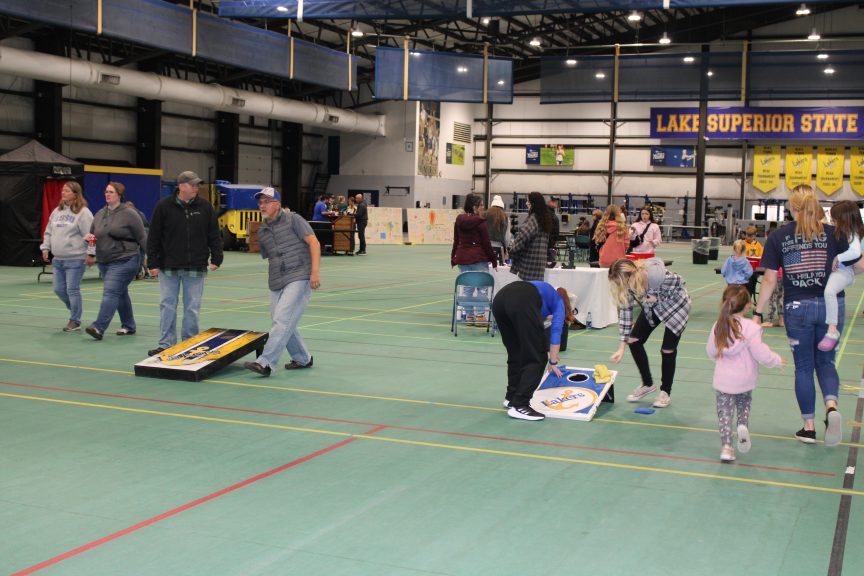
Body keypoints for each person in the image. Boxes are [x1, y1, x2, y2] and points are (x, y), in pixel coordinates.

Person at [754, 185, 850, 445]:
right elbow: (858, 264)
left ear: (792, 208)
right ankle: (831, 407)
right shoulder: (835, 234)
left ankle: (808, 427)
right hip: (832, 307)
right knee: (826, 362)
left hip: (798, 308)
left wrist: (758, 312)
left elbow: (770, 280)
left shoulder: (779, 237)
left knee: (804, 367)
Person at [244, 187, 321, 377]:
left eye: (266, 201)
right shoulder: (263, 231)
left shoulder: (294, 219)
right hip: (277, 280)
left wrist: (315, 272)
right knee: (284, 322)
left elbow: (314, 242)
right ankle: (303, 358)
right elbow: (268, 255)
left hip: (299, 275)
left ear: (277, 204)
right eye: (260, 202)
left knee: (281, 320)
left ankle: (266, 362)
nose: (262, 205)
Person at [146, 171, 223, 357]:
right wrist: (153, 263)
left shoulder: (205, 207)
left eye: (197, 185)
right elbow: (153, 236)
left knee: (192, 307)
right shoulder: (164, 206)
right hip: (168, 266)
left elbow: (214, 233)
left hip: (195, 266)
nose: (196, 188)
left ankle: (190, 342)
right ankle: (166, 344)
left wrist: (217, 257)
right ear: (181, 186)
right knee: (167, 305)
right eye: (193, 185)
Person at [708, 286, 784, 461]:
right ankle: (742, 426)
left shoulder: (718, 326)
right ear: (747, 306)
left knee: (724, 413)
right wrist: (776, 360)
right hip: (745, 379)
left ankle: (726, 447)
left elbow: (711, 350)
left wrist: (720, 361)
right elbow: (761, 353)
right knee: (744, 405)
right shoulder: (751, 328)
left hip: (724, 379)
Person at [607, 257, 690, 408]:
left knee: (667, 349)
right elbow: (626, 314)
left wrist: (658, 297)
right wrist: (621, 347)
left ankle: (665, 392)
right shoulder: (628, 284)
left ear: (630, 275)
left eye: (621, 283)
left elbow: (681, 282)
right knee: (634, 340)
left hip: (676, 305)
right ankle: (647, 383)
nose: (621, 287)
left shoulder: (655, 275)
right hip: (655, 305)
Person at [492, 281, 575, 421]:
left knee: (516, 352)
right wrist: (552, 362)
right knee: (538, 357)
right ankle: (520, 404)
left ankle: (511, 397)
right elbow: (555, 334)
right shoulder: (558, 303)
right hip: (521, 300)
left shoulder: (544, 291)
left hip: (500, 299)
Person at [83, 182, 147, 340]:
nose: (107, 194)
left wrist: (152, 261)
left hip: (126, 259)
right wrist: (90, 249)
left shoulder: (130, 214)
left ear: (119, 195)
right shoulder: (99, 214)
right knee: (120, 293)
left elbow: (142, 237)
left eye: (111, 192)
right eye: (106, 192)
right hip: (105, 261)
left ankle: (99, 327)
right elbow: (93, 236)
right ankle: (129, 325)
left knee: (111, 292)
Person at [40, 181, 93, 332]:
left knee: (72, 290)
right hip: (58, 260)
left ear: (76, 194)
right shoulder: (57, 211)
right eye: (63, 190)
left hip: (76, 259)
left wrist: (91, 254)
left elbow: (92, 235)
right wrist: (45, 248)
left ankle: (75, 320)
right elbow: (48, 231)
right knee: (58, 289)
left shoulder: (83, 213)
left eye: (67, 191)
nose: (63, 193)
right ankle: (75, 310)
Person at [818, 200, 864, 351]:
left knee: (829, 292)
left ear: (844, 219)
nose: (832, 221)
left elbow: (856, 253)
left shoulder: (852, 234)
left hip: (844, 271)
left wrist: (838, 258)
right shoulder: (843, 232)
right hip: (841, 270)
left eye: (834, 219)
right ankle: (832, 335)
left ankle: (832, 330)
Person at [452, 193, 497, 323]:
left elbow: (456, 241)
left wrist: (453, 257)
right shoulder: (480, 222)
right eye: (481, 205)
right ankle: (481, 316)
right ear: (474, 207)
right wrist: (493, 260)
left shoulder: (459, 221)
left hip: (463, 260)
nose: (483, 207)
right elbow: (486, 244)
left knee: (467, 289)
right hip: (478, 259)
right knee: (482, 288)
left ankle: (469, 315)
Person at [509, 191, 553, 281]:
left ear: (533, 204)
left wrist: (512, 250)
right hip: (540, 262)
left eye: (528, 201)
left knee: (525, 291)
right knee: (536, 290)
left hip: (529, 263)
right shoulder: (545, 219)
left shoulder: (533, 218)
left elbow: (523, 236)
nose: (526, 203)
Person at [486, 195, 511, 266]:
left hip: (486, 248)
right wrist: (506, 247)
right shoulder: (505, 217)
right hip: (499, 249)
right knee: (499, 270)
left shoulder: (484, 215)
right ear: (502, 206)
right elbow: (507, 237)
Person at [546, 196, 561, 266]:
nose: (556, 202)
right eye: (553, 201)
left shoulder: (551, 213)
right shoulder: (546, 213)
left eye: (556, 201)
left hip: (550, 245)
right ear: (548, 202)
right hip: (547, 246)